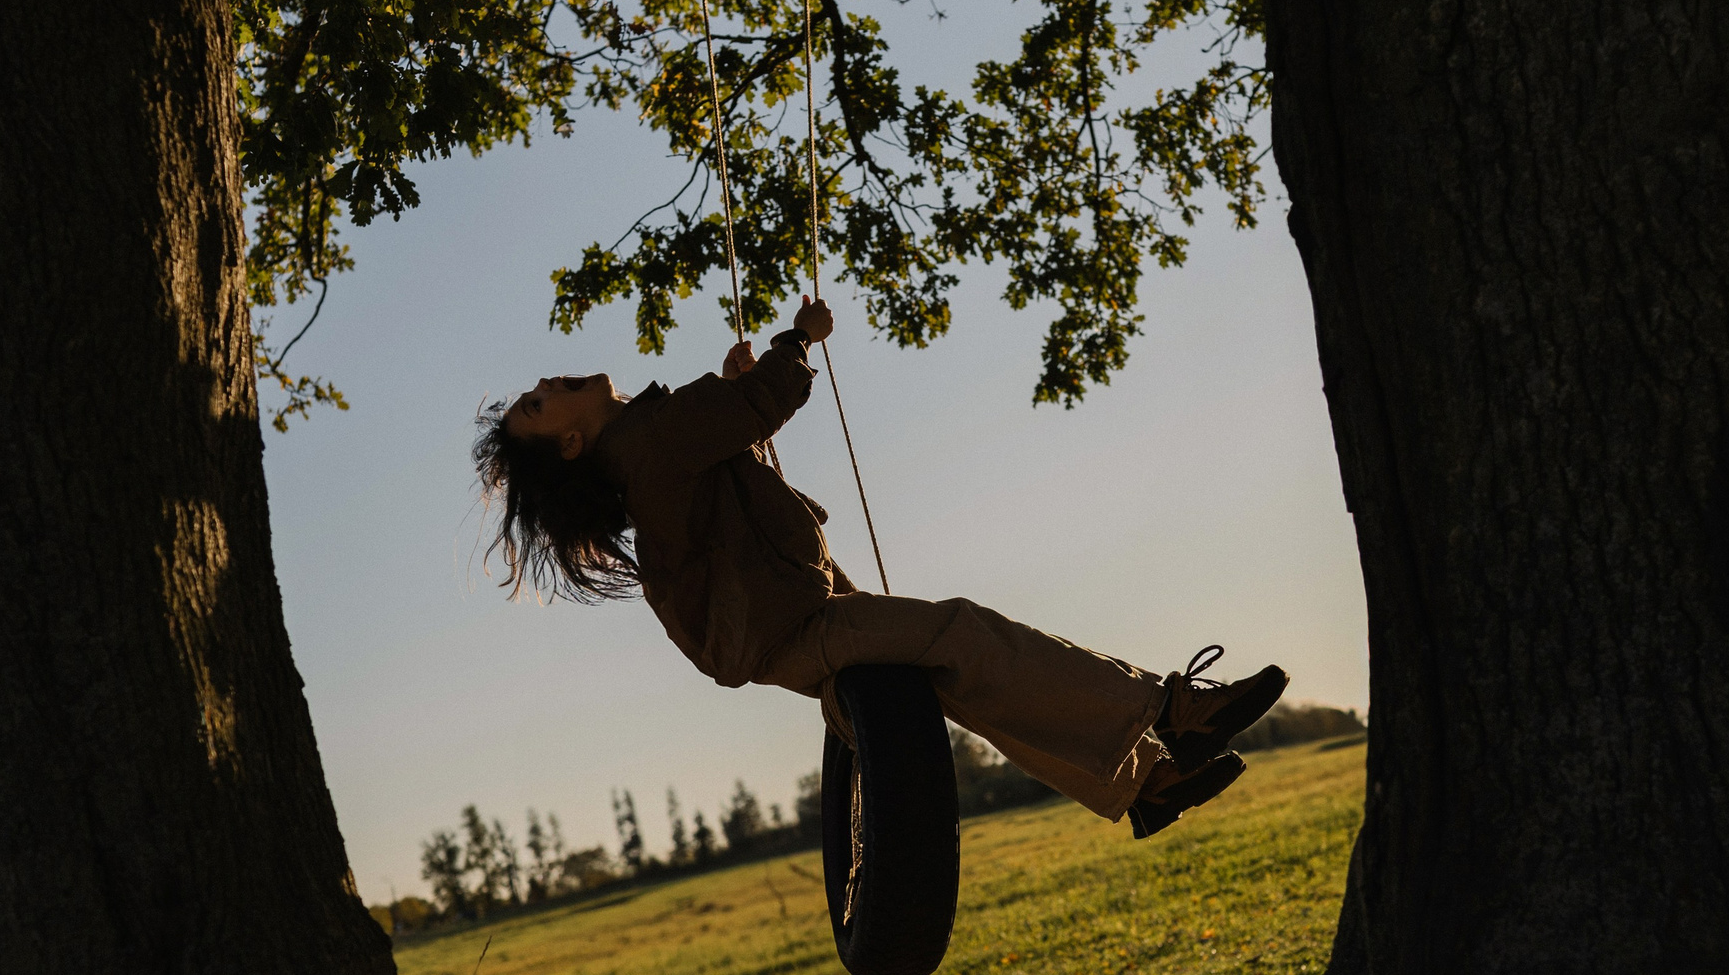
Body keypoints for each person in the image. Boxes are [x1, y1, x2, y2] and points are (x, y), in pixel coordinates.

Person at [472, 298, 1287, 838]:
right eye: (538, 404)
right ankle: (1170, 708)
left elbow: (727, 453)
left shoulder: (647, 449)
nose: (544, 381)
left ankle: (1144, 787)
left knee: (949, 675)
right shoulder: (644, 438)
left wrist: (734, 398)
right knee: (962, 633)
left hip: (787, 617)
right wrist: (799, 340)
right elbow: (759, 403)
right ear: (571, 442)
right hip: (798, 623)